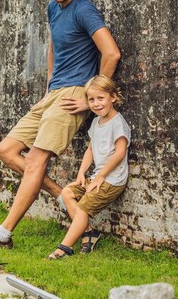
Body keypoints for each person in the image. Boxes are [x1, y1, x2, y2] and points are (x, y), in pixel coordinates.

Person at [0, 0, 121, 249]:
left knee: (35, 162)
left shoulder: (84, 9)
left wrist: (90, 99)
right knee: (7, 150)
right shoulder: (53, 8)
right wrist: (48, 86)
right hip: (53, 94)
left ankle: (3, 235)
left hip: (72, 96)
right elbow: (54, 45)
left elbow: (111, 53)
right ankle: (62, 199)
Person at [48, 75, 130, 259]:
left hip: (112, 179)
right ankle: (89, 233)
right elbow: (90, 149)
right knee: (67, 193)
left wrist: (100, 177)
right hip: (97, 176)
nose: (96, 104)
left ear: (113, 97)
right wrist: (81, 173)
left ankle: (65, 248)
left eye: (101, 98)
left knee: (83, 208)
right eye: (91, 100)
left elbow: (120, 152)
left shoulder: (118, 123)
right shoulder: (96, 122)